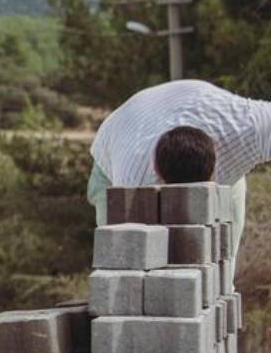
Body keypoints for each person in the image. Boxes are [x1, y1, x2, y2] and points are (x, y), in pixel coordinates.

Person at [88, 79, 271, 263]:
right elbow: (131, 270)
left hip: (195, 105)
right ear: (158, 174)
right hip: (118, 137)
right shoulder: (135, 183)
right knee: (124, 261)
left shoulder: (246, 131)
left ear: (216, 161)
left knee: (221, 257)